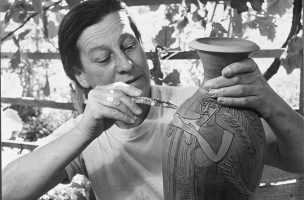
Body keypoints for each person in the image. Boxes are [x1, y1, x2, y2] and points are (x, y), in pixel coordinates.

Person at [3, 0, 304, 200]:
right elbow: (8, 190)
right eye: (103, 58)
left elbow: (297, 160)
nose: (125, 64)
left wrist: (271, 102)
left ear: (141, 46)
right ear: (81, 76)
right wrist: (85, 131)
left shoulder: (202, 105)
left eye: (129, 45)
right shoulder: (85, 133)